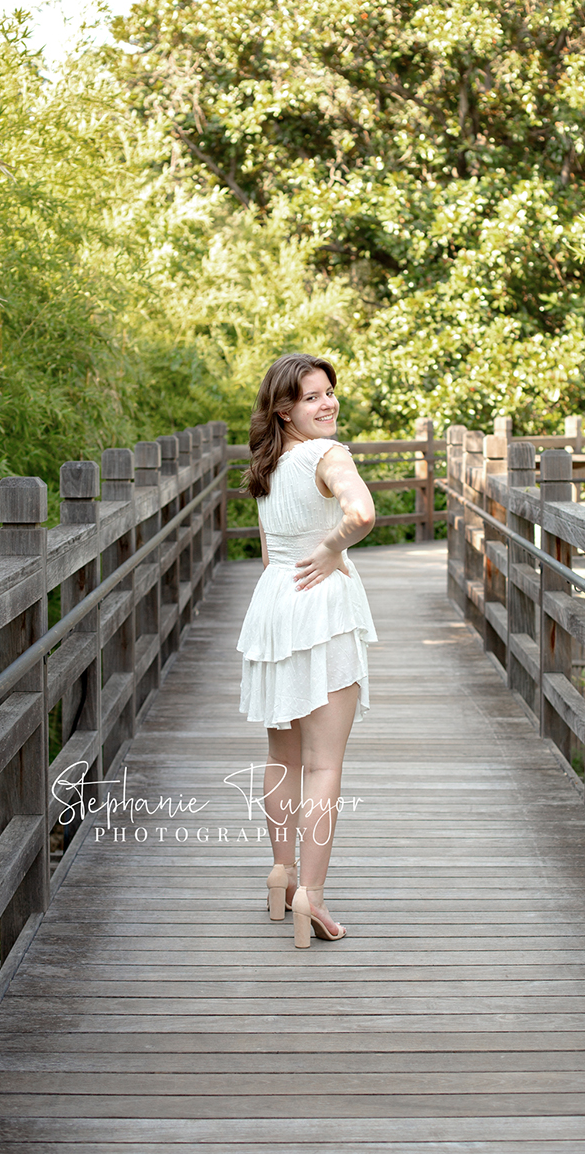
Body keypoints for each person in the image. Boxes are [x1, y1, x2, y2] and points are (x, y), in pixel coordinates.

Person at [237, 353, 377, 948]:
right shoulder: (329, 455)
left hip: (274, 605)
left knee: (281, 758)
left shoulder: (269, 465)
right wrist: (333, 548)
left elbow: (270, 554)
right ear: (285, 411)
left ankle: (280, 873)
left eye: (329, 393)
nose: (328, 404)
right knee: (323, 765)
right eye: (312, 397)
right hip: (318, 606)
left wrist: (316, 550)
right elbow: (363, 512)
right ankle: (309, 898)